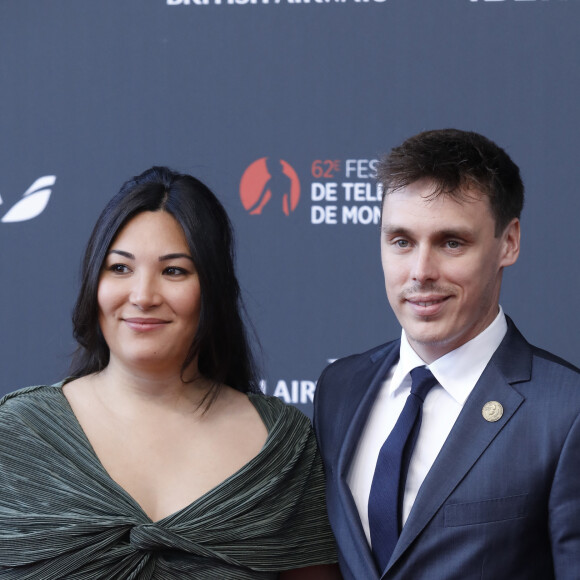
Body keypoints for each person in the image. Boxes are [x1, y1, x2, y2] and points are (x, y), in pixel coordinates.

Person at [0, 167, 340, 579]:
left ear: (211, 288)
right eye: (120, 268)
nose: (143, 296)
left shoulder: (283, 445)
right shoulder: (18, 433)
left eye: (174, 271)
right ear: (94, 282)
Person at [314, 129, 580, 579]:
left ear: (508, 243)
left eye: (451, 242)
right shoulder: (339, 389)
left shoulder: (566, 411)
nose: (420, 272)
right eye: (401, 241)